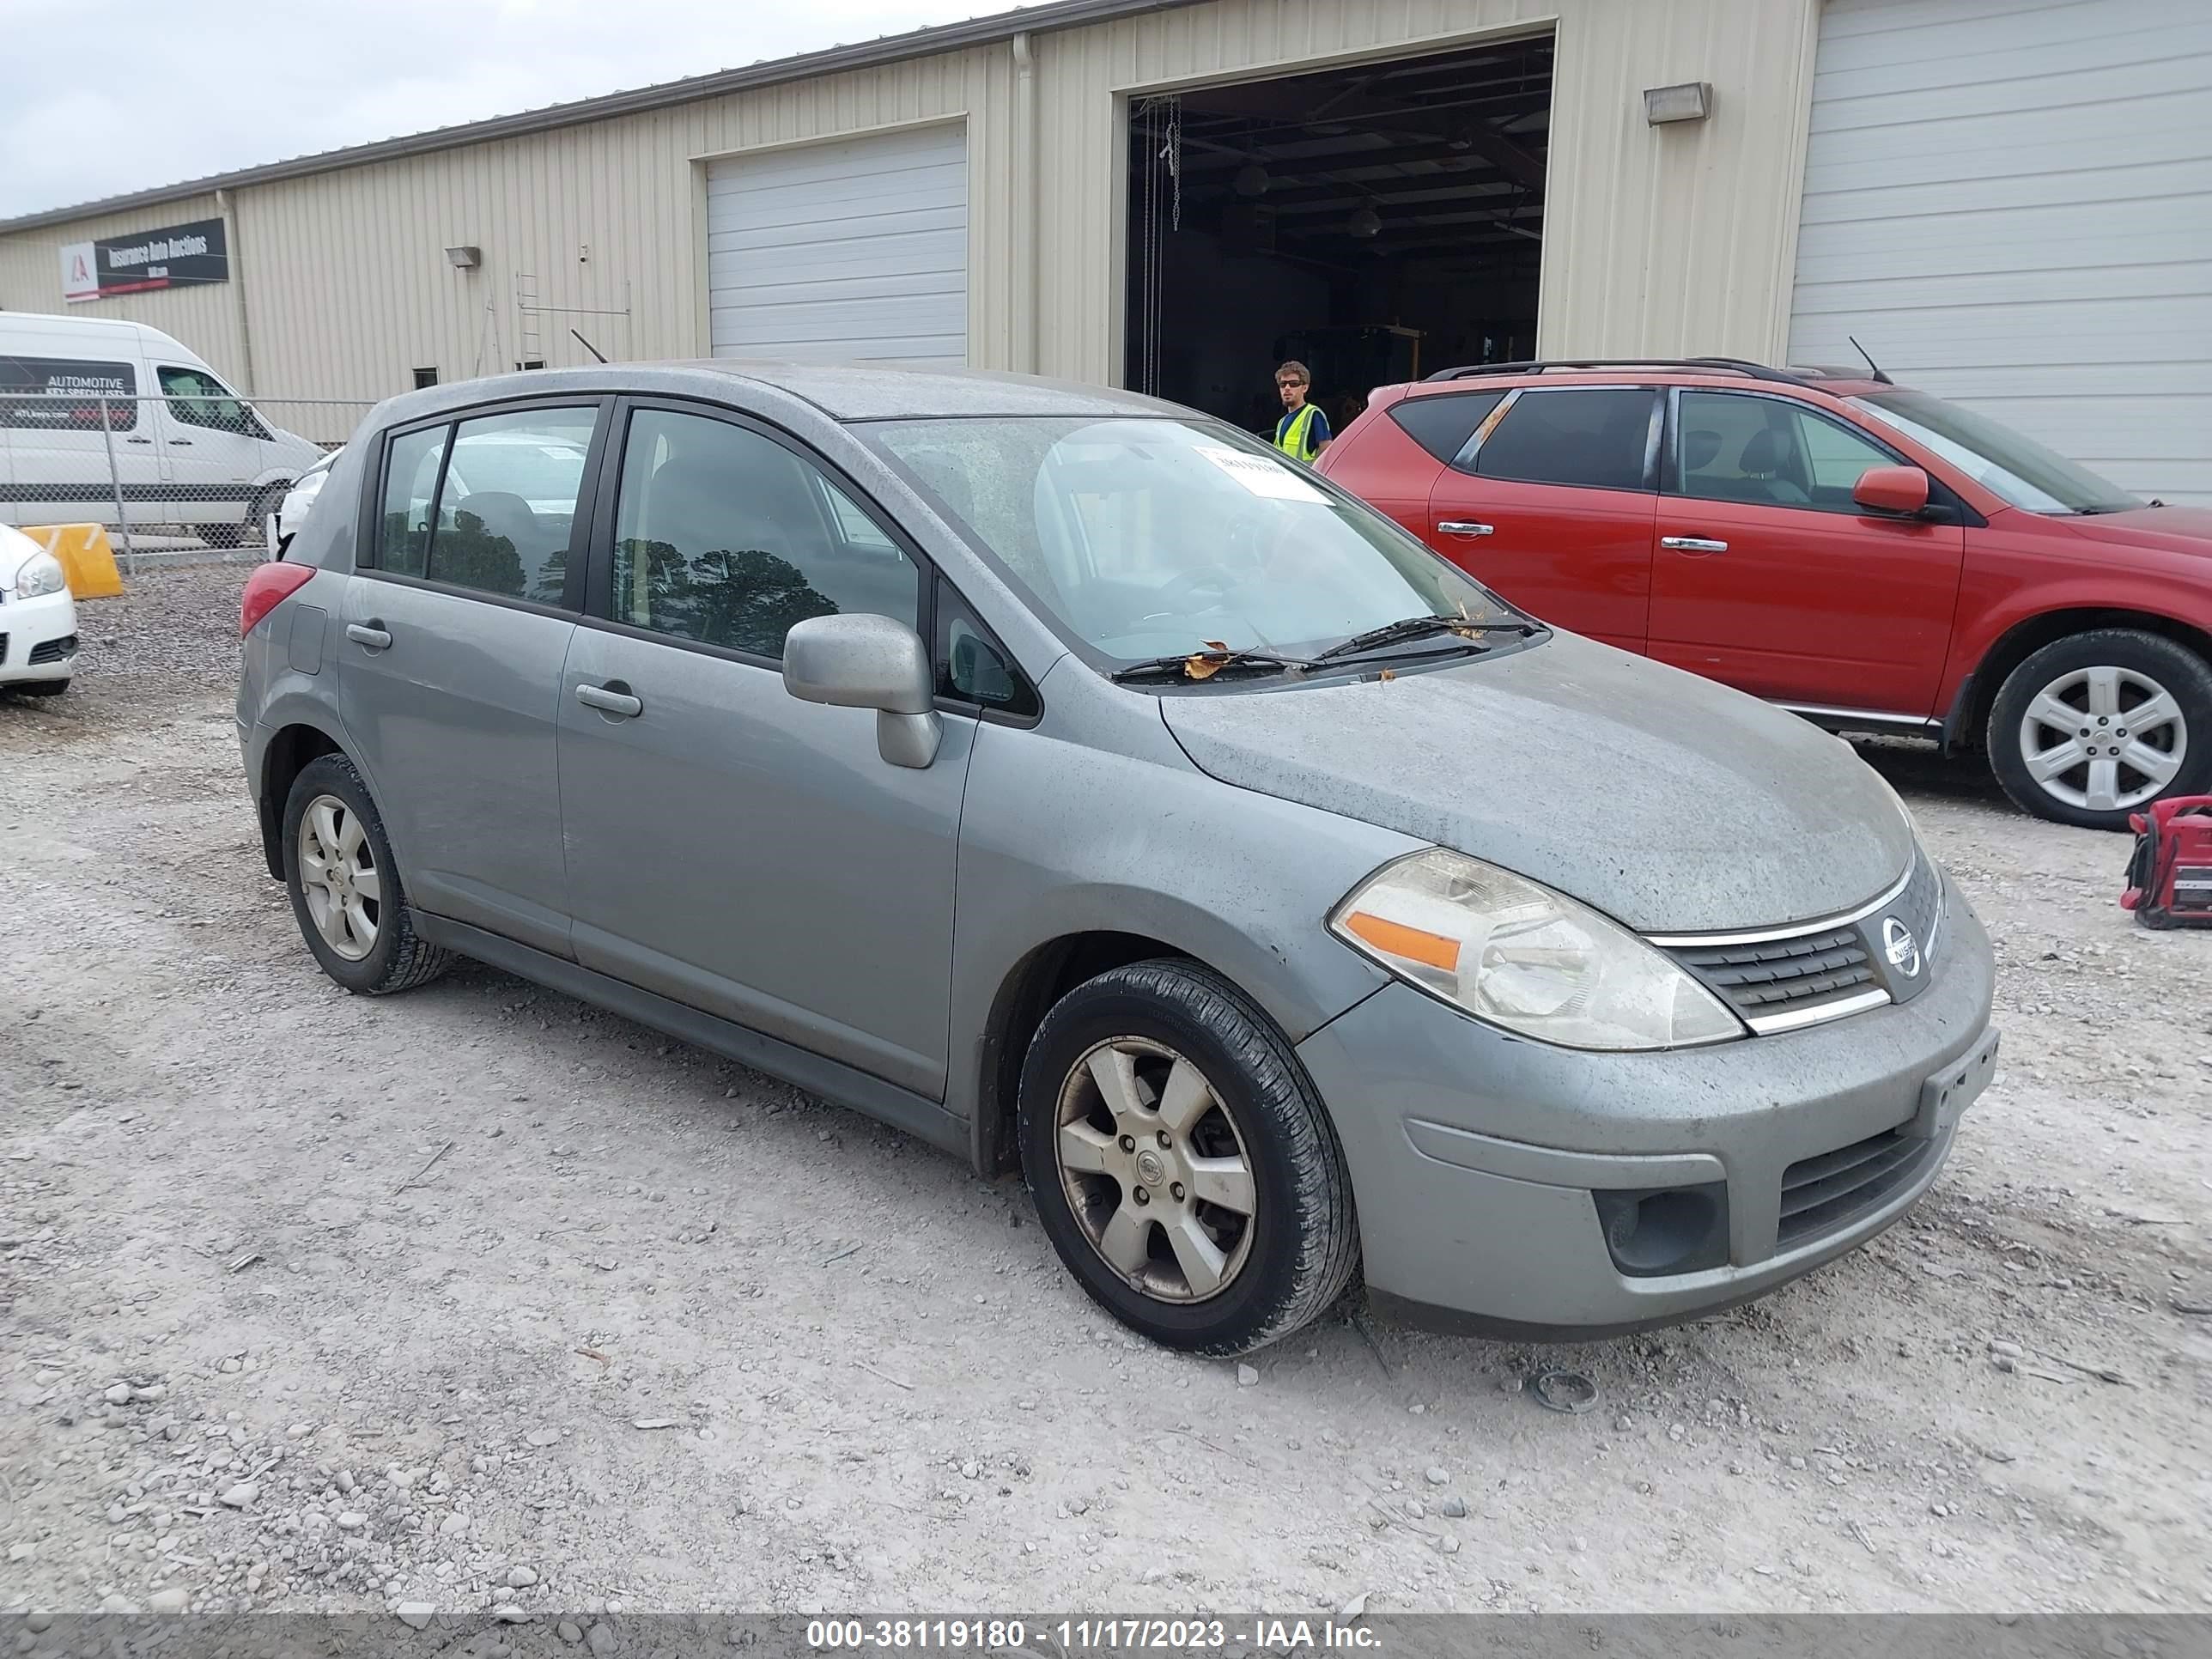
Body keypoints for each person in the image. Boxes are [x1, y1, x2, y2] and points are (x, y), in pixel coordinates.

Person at [1271, 361, 1331, 462]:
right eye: (1283, 384)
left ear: (1305, 388)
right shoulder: (1281, 422)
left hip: (1303, 477)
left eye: (1294, 384)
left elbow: (1326, 449)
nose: (1287, 388)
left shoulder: (1313, 414)